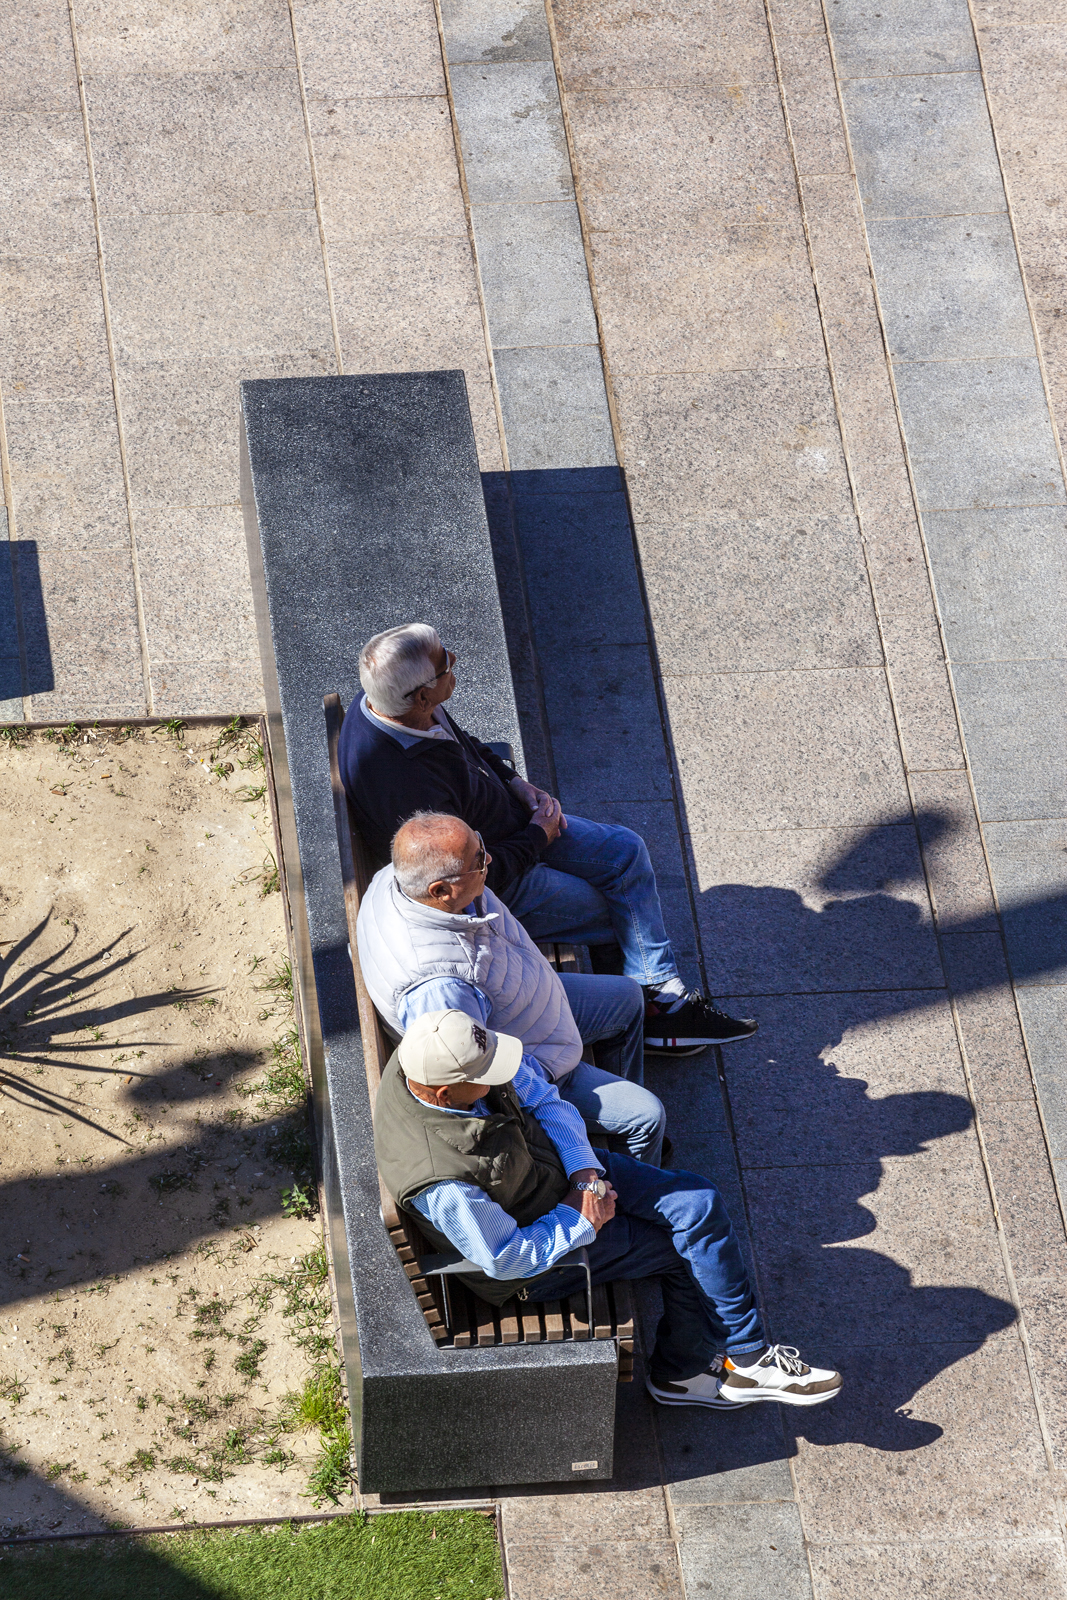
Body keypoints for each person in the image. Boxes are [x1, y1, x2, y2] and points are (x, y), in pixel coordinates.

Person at [373, 1007, 842, 1411]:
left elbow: (542, 1098)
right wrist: (579, 1216)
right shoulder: (442, 1179)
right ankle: (681, 1376)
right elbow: (505, 1259)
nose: (504, 1073)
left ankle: (746, 1356)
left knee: (699, 1205)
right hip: (541, 1260)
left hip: (563, 1175)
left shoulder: (434, 1055)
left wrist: (584, 1175)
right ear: (443, 1093)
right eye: (489, 1076)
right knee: (687, 1251)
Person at [338, 622, 758, 1056]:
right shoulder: (407, 784)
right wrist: (538, 836)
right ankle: (655, 1015)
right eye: (445, 663)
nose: (455, 662)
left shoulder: (398, 705)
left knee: (626, 851)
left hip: (511, 826)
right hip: (496, 878)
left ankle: (657, 996)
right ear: (421, 695)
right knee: (618, 911)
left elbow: (468, 745)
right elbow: (475, 876)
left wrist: (516, 783)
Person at [356, 812, 667, 1164]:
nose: (488, 859)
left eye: (480, 843)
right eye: (477, 860)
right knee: (646, 1116)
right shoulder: (440, 990)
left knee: (627, 998)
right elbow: (480, 1080)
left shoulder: (401, 878)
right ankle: (632, 1184)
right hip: (534, 1058)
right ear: (440, 891)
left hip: (521, 1002)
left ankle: (608, 1119)